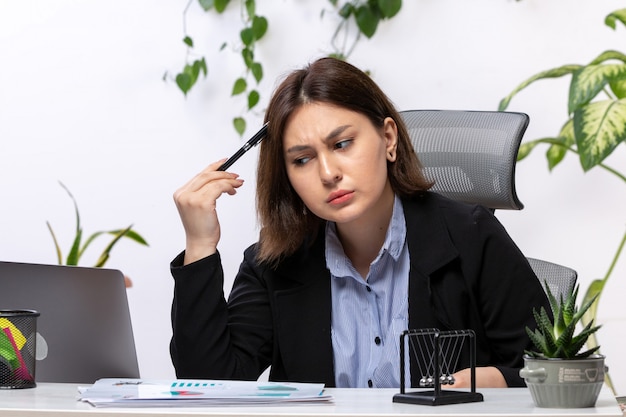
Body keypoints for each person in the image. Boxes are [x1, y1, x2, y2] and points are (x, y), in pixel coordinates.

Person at [170, 57, 550, 389]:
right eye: (301, 159)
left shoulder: (470, 234)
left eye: (342, 144)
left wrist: (498, 380)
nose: (328, 173)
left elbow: (555, 371)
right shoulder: (273, 263)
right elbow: (211, 384)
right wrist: (200, 244)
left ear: (388, 138)